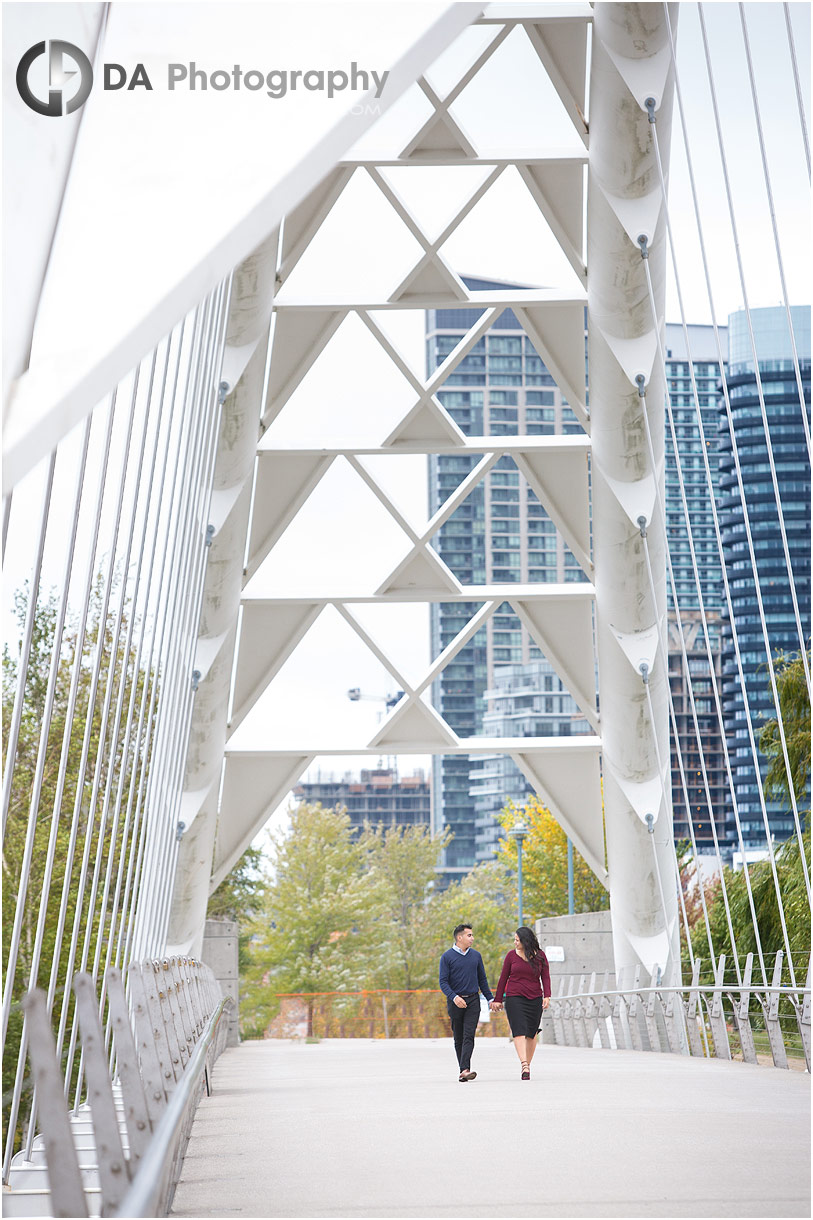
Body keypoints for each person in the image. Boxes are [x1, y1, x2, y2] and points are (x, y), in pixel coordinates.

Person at [490, 926, 551, 1080]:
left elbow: (545, 977)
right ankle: (524, 1063)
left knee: (531, 1032)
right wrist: (497, 999)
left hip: (535, 997)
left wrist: (547, 996)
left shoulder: (540, 956)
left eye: (517, 940)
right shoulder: (511, 956)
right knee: (519, 1030)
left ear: (526, 941)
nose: (515, 943)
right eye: (514, 940)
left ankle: (527, 1066)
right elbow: (503, 978)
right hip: (514, 997)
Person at [438, 923, 494, 1082]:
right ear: (459, 937)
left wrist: (490, 999)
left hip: (473, 1001)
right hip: (455, 1002)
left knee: (469, 1035)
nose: (472, 938)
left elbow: (482, 980)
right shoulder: (447, 957)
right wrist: (455, 997)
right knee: (459, 1037)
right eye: (469, 935)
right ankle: (463, 1069)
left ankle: (465, 1069)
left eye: (472, 935)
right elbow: (443, 982)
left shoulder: (476, 956)